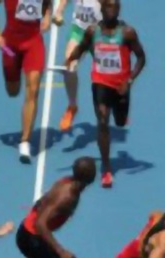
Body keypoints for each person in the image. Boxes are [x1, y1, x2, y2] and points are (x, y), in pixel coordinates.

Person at [66, 0, 145, 188]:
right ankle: (107, 168)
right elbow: (82, 47)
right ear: (101, 9)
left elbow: (141, 58)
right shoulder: (93, 31)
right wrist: (71, 58)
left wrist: (129, 80)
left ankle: (122, 114)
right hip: (100, 82)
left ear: (118, 10)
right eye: (107, 7)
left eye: (113, 7)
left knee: (119, 121)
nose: (110, 10)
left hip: (121, 86)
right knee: (102, 121)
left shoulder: (127, 33)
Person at [0, 0, 52, 164]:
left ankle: (25, 141)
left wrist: (47, 17)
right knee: (13, 91)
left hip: (33, 43)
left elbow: (48, 3)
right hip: (10, 44)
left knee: (33, 88)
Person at [51, 0, 102, 131]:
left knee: (105, 73)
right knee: (70, 66)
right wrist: (59, 12)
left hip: (99, 34)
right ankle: (72, 106)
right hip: (78, 31)